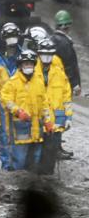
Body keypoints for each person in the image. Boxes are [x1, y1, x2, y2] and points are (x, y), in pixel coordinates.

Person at [0, 50, 51, 171]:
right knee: (20, 159)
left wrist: (48, 121)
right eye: (25, 64)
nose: (28, 66)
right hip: (21, 128)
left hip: (37, 129)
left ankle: (31, 184)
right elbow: (5, 99)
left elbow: (44, 103)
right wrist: (18, 111)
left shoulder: (39, 82)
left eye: (30, 64)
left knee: (36, 158)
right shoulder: (13, 82)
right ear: (20, 66)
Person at [0, 23, 22, 169]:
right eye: (9, 37)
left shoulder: (24, 56)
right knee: (5, 135)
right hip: (3, 104)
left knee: (20, 134)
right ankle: (6, 165)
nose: (11, 40)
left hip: (20, 102)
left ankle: (19, 165)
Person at [35, 39, 73, 174]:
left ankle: (48, 178)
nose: (47, 57)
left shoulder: (59, 73)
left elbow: (67, 97)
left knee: (51, 153)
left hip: (56, 120)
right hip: (38, 120)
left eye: (50, 54)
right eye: (44, 53)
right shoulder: (31, 71)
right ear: (38, 53)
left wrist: (68, 117)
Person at [51, 10, 81, 97]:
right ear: (67, 26)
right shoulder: (65, 43)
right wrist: (75, 84)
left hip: (54, 83)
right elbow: (68, 65)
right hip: (64, 84)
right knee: (63, 108)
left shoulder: (51, 39)